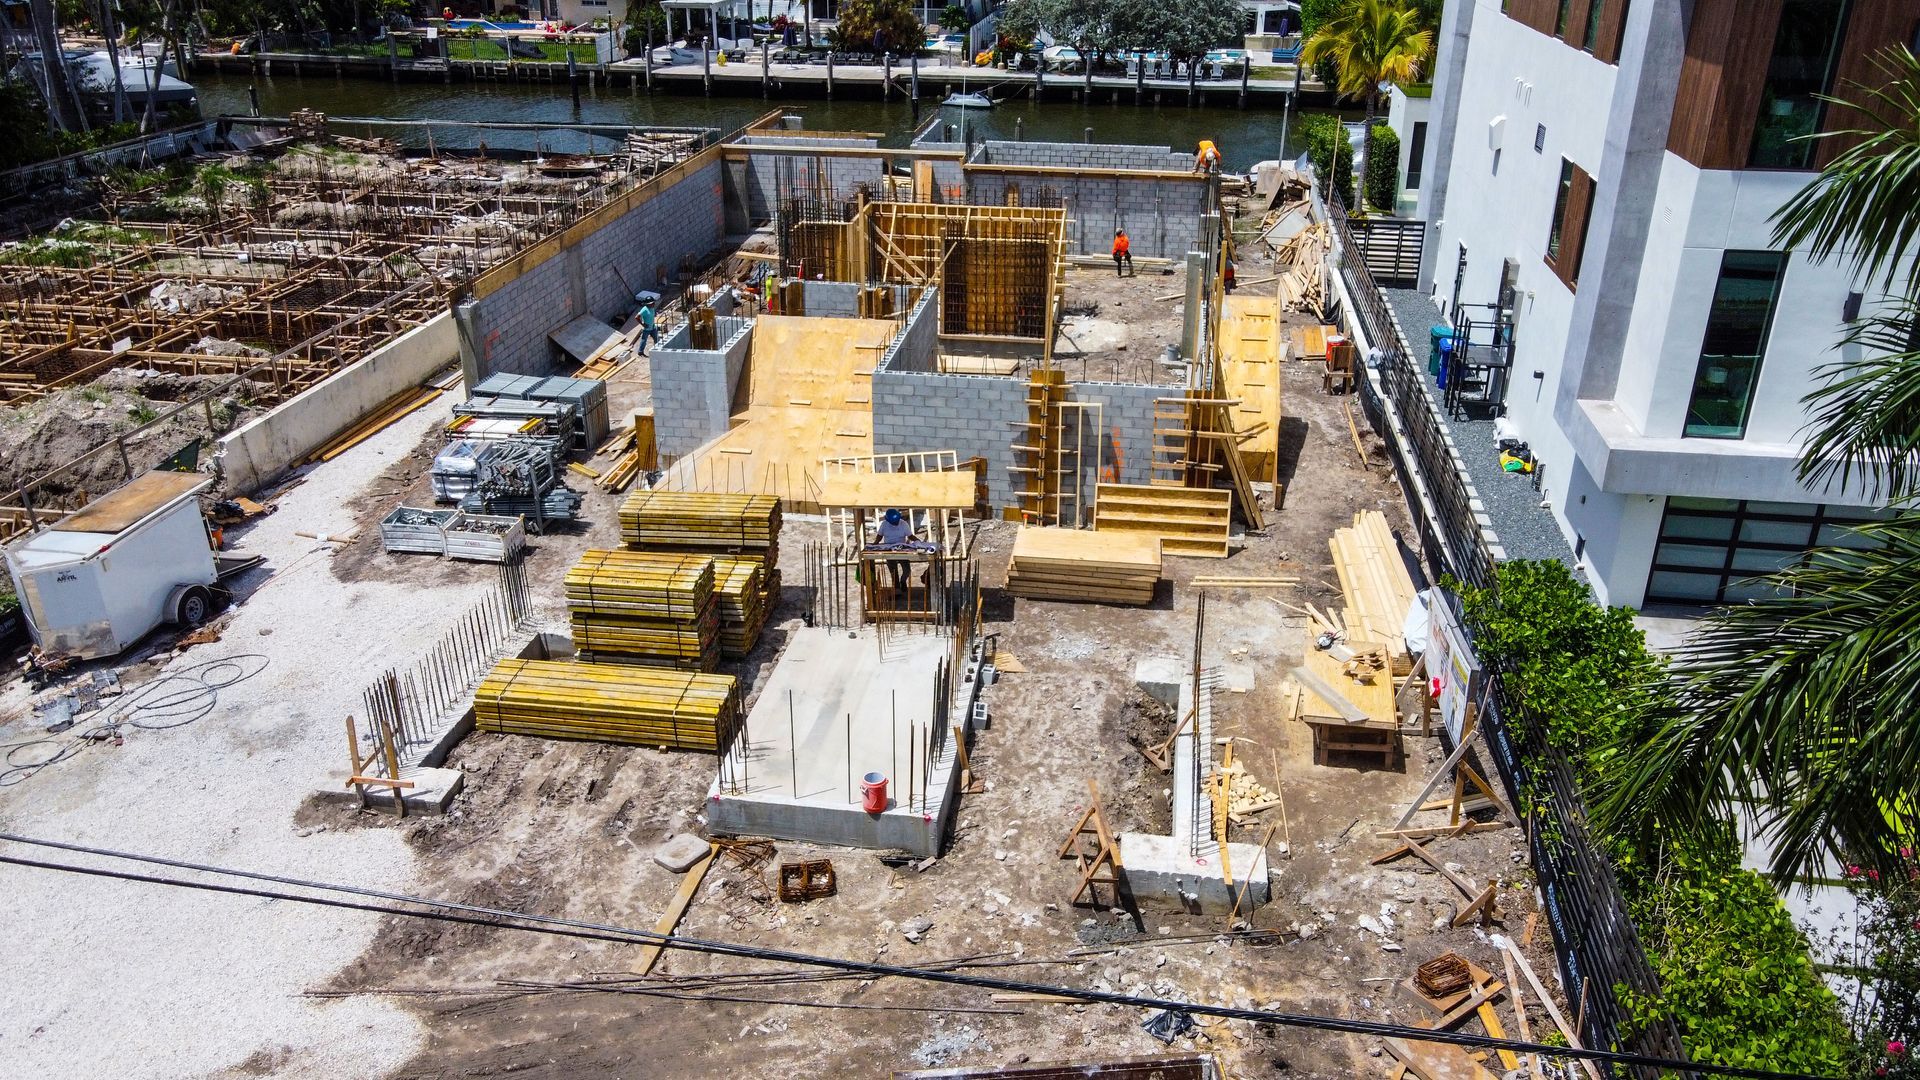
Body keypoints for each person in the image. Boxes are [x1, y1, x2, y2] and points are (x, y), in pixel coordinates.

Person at [873, 508, 917, 595]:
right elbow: (879, 535)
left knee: (907, 570)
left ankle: (903, 581)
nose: (896, 523)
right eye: (894, 522)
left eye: (896, 522)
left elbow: (910, 536)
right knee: (893, 571)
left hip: (902, 549)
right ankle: (897, 589)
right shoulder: (884, 524)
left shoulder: (903, 524)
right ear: (888, 521)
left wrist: (918, 541)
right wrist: (875, 544)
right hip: (889, 549)